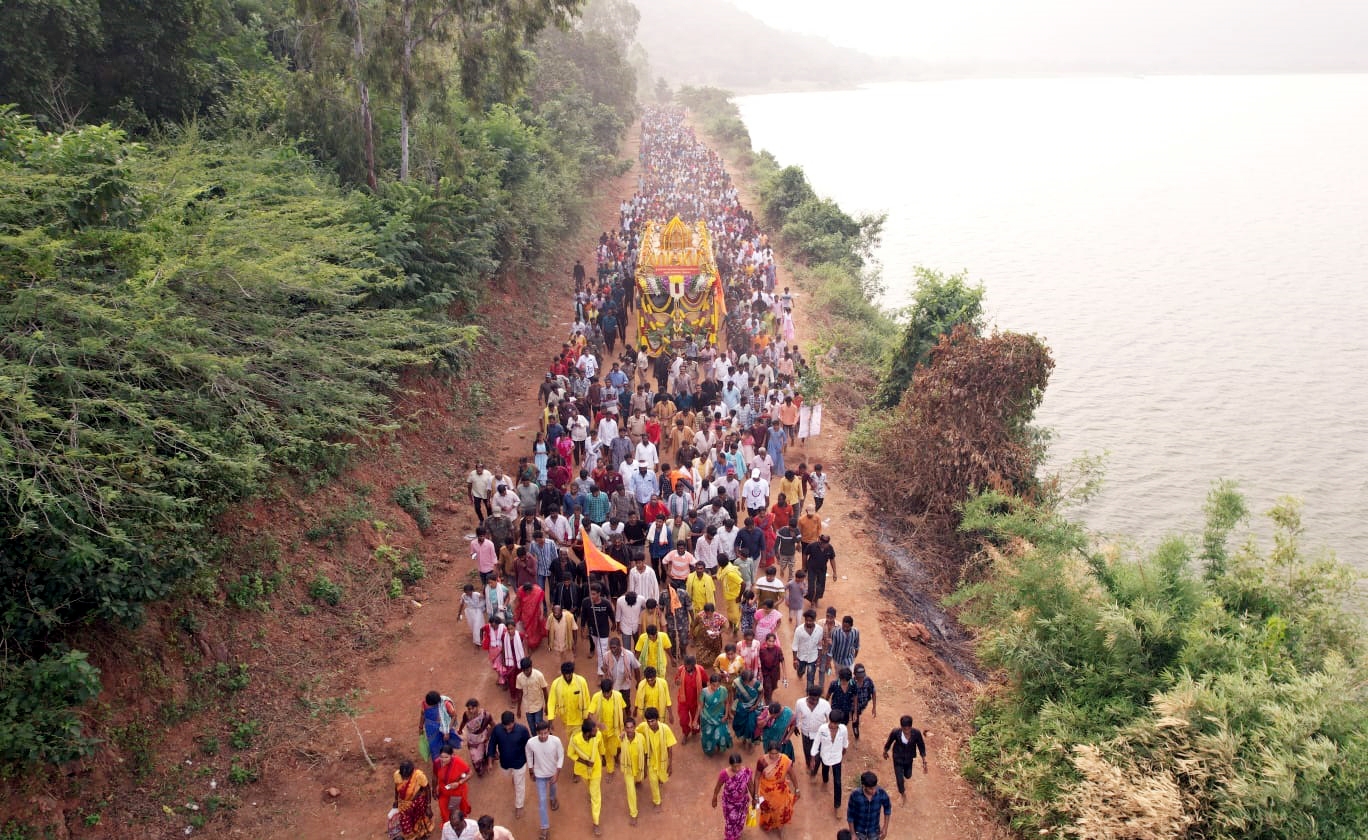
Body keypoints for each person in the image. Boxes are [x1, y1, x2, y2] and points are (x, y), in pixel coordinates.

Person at [487, 711, 531, 818]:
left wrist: (531, 762)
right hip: (505, 763)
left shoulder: (522, 731)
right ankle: (513, 777)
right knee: (509, 775)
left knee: (519, 785)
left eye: (509, 725)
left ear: (513, 722)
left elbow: (529, 746)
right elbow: (492, 744)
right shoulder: (497, 729)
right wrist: (490, 762)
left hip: (519, 763)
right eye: (505, 725)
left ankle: (519, 806)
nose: (507, 728)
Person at [568, 720, 606, 835]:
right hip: (583, 770)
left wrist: (603, 757)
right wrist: (585, 762)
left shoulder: (598, 735)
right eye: (594, 730)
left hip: (596, 770)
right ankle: (590, 793)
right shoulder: (575, 740)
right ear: (587, 733)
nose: (597, 731)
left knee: (595, 795)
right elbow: (570, 754)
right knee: (588, 787)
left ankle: (596, 823)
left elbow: (601, 747)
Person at [526, 720, 563, 840]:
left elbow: (561, 756)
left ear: (549, 731)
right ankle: (544, 827)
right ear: (537, 733)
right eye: (541, 734)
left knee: (553, 789)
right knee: (542, 800)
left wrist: (557, 773)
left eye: (545, 733)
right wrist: (531, 770)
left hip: (552, 773)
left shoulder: (556, 741)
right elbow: (528, 754)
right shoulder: (531, 743)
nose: (543, 736)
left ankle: (553, 798)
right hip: (539, 775)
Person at [755, 742, 801, 836]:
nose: (774, 756)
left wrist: (797, 788)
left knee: (781, 810)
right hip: (766, 791)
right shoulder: (762, 761)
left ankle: (780, 827)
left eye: (776, 753)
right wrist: (755, 794)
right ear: (768, 752)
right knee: (767, 809)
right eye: (772, 753)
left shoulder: (784, 759)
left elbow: (792, 774)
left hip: (780, 791)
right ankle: (768, 823)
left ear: (779, 752)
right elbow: (756, 778)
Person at [812, 709, 850, 816]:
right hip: (825, 756)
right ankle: (825, 781)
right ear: (829, 719)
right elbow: (816, 742)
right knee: (825, 771)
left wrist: (843, 752)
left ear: (839, 723)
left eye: (835, 723)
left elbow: (845, 742)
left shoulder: (843, 730)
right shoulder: (822, 729)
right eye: (831, 722)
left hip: (837, 758)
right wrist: (813, 757)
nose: (833, 725)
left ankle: (837, 806)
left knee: (837, 782)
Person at [882, 715, 928, 804]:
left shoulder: (916, 733)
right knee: (899, 779)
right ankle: (903, 794)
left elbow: (921, 746)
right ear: (901, 727)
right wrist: (885, 751)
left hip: (909, 758)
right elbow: (889, 742)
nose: (906, 732)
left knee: (908, 775)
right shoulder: (896, 732)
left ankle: (904, 775)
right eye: (904, 729)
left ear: (911, 727)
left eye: (908, 729)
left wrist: (924, 760)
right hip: (897, 758)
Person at [640, 707, 677, 812]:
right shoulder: (644, 727)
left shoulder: (665, 729)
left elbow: (670, 748)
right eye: (648, 721)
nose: (650, 724)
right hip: (650, 760)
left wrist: (670, 765)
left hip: (662, 760)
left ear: (657, 719)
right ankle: (657, 802)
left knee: (662, 777)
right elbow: (634, 731)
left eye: (652, 721)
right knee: (653, 781)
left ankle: (660, 779)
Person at [587, 677, 627, 774]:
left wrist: (625, 727)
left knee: (615, 748)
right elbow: (589, 714)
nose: (606, 695)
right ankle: (610, 769)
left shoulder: (618, 696)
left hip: (615, 730)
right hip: (602, 732)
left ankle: (614, 757)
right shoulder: (596, 697)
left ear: (612, 689)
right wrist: (597, 724)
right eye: (604, 692)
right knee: (606, 751)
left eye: (608, 692)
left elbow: (623, 710)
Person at [711, 752, 755, 840]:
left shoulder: (746, 772)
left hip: (742, 802)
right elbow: (718, 786)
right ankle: (730, 837)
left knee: (740, 820)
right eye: (734, 766)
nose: (737, 768)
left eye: (738, 765)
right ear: (730, 765)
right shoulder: (724, 774)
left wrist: (755, 798)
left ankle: (737, 834)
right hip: (729, 804)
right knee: (730, 822)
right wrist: (714, 797)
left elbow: (750, 786)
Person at [793, 684, 832, 776]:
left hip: (820, 735)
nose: (814, 702)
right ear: (808, 695)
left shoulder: (825, 704)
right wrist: (796, 726)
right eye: (812, 699)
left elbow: (830, 718)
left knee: (817, 756)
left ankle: (814, 770)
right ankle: (808, 764)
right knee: (807, 753)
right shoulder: (800, 703)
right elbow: (797, 716)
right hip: (805, 733)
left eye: (816, 699)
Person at [392, 760, 434, 840]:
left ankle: (422, 835)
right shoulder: (397, 775)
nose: (405, 778)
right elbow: (396, 788)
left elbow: (427, 789)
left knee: (419, 820)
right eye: (403, 776)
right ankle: (412, 837)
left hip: (418, 803)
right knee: (406, 823)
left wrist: (428, 806)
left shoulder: (419, 775)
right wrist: (396, 800)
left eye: (407, 776)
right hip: (404, 805)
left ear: (412, 772)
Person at [420, 691, 461, 772]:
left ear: (437, 703)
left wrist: (447, 731)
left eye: (431, 705)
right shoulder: (425, 703)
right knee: (434, 747)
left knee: (446, 746)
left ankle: (449, 763)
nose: (429, 706)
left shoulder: (446, 704)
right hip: (431, 729)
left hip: (444, 728)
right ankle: (438, 763)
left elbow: (454, 716)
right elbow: (422, 714)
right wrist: (420, 727)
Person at [432, 745, 472, 828]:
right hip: (443, 791)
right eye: (441, 757)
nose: (443, 760)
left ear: (452, 755)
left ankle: (455, 826)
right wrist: (434, 789)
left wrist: (459, 783)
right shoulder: (437, 763)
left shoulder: (458, 762)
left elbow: (469, 773)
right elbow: (435, 777)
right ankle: (448, 826)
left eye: (446, 757)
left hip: (456, 792)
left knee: (453, 810)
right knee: (443, 809)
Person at [547, 661, 591, 736]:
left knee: (577, 739)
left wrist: (587, 716)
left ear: (572, 672)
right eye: (565, 674)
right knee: (570, 738)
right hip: (565, 720)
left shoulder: (581, 682)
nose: (567, 676)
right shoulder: (556, 684)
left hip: (579, 719)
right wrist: (550, 720)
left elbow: (586, 699)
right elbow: (551, 702)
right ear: (562, 673)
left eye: (569, 674)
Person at [846, 771, 893, 840]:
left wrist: (885, 828)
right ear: (864, 786)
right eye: (870, 789)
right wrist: (853, 834)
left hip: (874, 830)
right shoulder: (855, 795)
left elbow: (887, 808)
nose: (874, 791)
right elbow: (850, 816)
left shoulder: (881, 793)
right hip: (859, 831)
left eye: (875, 787)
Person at [483, 616, 525, 694]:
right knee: (505, 674)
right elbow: (482, 629)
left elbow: (525, 645)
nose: (509, 631)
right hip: (502, 657)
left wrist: (525, 658)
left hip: (512, 658)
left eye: (511, 628)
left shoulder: (516, 634)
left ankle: (509, 685)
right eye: (508, 629)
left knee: (514, 675)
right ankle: (505, 684)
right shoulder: (502, 635)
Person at [619, 717, 647, 825]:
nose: (630, 730)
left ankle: (638, 780)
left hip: (638, 766)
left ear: (635, 727)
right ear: (624, 729)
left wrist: (644, 769)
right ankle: (633, 814)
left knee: (639, 778)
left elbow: (645, 753)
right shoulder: (622, 738)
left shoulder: (641, 738)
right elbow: (619, 739)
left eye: (631, 727)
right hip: (628, 769)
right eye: (627, 728)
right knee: (631, 791)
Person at [674, 654, 708, 743]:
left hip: (696, 700)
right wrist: (677, 682)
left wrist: (703, 698)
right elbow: (677, 682)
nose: (687, 668)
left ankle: (695, 731)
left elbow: (705, 683)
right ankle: (685, 733)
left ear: (693, 665)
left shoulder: (700, 670)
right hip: (683, 700)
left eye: (689, 666)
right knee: (683, 720)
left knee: (696, 718)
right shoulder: (680, 670)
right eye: (686, 666)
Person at [700, 672, 733, 755]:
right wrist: (696, 719)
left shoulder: (723, 690)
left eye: (718, 685)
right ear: (709, 683)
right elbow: (700, 706)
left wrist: (726, 715)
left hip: (720, 716)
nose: (715, 688)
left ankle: (719, 745)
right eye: (713, 685)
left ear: (720, 684)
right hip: (707, 717)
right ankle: (709, 749)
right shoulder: (704, 692)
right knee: (708, 735)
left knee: (721, 733)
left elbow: (726, 703)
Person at [459, 699, 494, 777]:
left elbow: (493, 725)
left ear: (477, 706)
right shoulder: (466, 715)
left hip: (483, 736)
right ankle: (479, 768)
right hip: (472, 739)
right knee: (475, 756)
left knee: (486, 748)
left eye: (472, 708)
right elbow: (463, 722)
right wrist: (460, 729)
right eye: (469, 709)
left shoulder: (486, 715)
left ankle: (487, 759)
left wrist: (487, 737)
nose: (471, 711)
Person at [791, 608, 824, 691]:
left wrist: (819, 659)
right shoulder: (799, 630)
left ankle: (809, 694)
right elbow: (795, 646)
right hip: (801, 657)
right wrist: (795, 660)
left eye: (811, 621)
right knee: (800, 672)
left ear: (814, 620)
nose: (808, 622)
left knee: (810, 679)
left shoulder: (820, 630)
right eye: (807, 620)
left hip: (813, 658)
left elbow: (819, 646)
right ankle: (800, 674)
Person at [515, 658, 550, 733]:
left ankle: (545, 732)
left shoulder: (539, 676)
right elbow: (520, 693)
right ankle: (537, 738)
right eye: (523, 670)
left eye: (527, 670)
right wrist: (518, 709)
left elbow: (545, 691)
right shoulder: (519, 677)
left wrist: (547, 705)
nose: (525, 672)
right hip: (527, 707)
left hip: (538, 705)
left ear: (531, 667)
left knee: (538, 724)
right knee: (532, 728)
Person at [731, 669, 763, 747]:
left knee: (751, 725)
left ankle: (751, 741)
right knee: (739, 723)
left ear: (751, 679)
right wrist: (734, 701)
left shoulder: (757, 684)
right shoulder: (736, 682)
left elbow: (761, 693)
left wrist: (755, 705)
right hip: (741, 707)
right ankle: (744, 738)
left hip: (754, 707)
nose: (745, 683)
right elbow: (733, 691)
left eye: (748, 681)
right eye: (744, 681)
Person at [803, 534, 836, 606]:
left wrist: (834, 572)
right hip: (812, 568)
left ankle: (816, 599)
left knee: (820, 587)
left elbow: (832, 559)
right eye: (823, 543)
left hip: (822, 570)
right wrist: (804, 566)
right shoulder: (812, 546)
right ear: (820, 541)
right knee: (811, 587)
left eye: (826, 544)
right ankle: (812, 601)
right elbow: (805, 554)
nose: (825, 545)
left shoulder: (830, 548)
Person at [516, 583, 548, 649]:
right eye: (526, 592)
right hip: (525, 615)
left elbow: (540, 603)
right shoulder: (520, 591)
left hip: (535, 615)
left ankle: (535, 641)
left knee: (535, 628)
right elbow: (518, 603)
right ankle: (529, 642)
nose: (528, 593)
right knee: (527, 628)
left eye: (529, 591)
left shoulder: (538, 592)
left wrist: (541, 614)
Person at [851, 663, 877, 740]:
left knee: (857, 715)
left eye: (862, 677)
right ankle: (856, 733)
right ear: (854, 675)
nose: (861, 679)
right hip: (853, 706)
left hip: (863, 703)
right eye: (859, 677)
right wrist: (854, 712)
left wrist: (874, 707)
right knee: (855, 721)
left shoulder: (868, 680)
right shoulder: (851, 684)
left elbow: (873, 692)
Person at [459, 584, 487, 648]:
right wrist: (459, 614)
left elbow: (485, 598)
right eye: (466, 592)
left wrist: (485, 607)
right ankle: (479, 636)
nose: (468, 593)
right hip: (469, 613)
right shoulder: (464, 596)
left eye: (469, 591)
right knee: (473, 626)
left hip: (478, 611)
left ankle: (477, 641)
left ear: (472, 590)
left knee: (477, 625)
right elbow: (461, 604)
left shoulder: (477, 594)